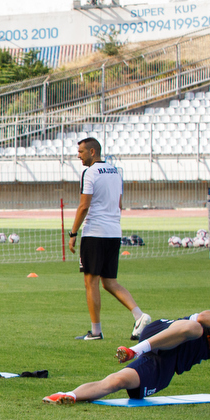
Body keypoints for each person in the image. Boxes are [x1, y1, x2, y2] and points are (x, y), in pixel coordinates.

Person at [44, 309, 210, 404]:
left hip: (166, 362)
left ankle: (68, 395)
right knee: (196, 328)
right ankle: (135, 350)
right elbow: (202, 318)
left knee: (118, 381)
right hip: (163, 333)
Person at [69, 136, 149, 341]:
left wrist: (73, 233)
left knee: (91, 282)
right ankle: (140, 316)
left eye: (81, 152)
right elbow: (119, 203)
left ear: (92, 152)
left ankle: (95, 331)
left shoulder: (90, 172)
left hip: (95, 232)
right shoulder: (115, 171)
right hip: (114, 232)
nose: (78, 156)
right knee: (110, 282)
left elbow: (84, 206)